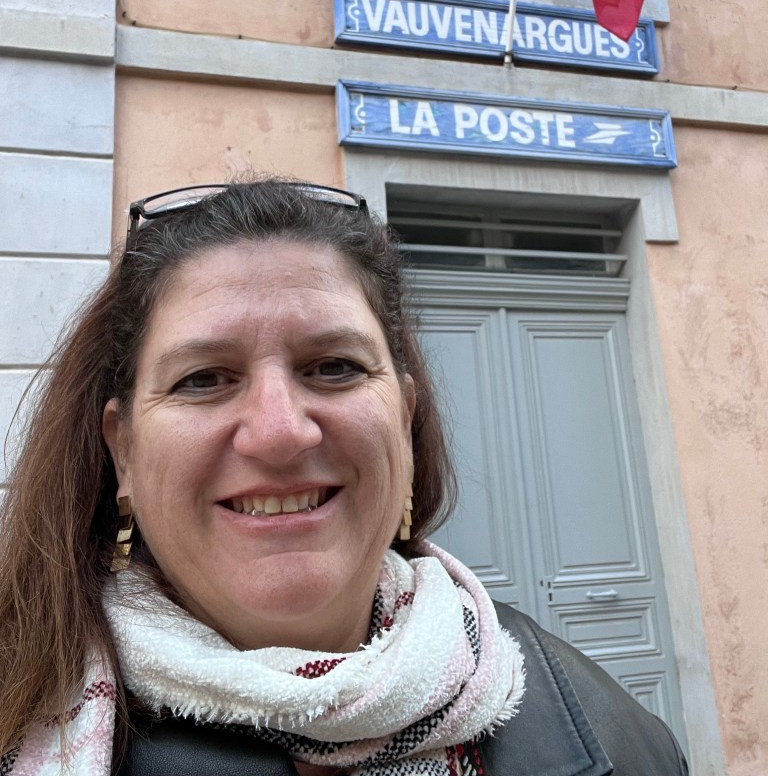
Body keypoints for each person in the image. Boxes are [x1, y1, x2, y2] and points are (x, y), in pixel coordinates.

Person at [0, 178, 688, 776]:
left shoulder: (623, 740)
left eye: (335, 367)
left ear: (406, 423)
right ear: (123, 452)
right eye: (204, 378)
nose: (279, 432)